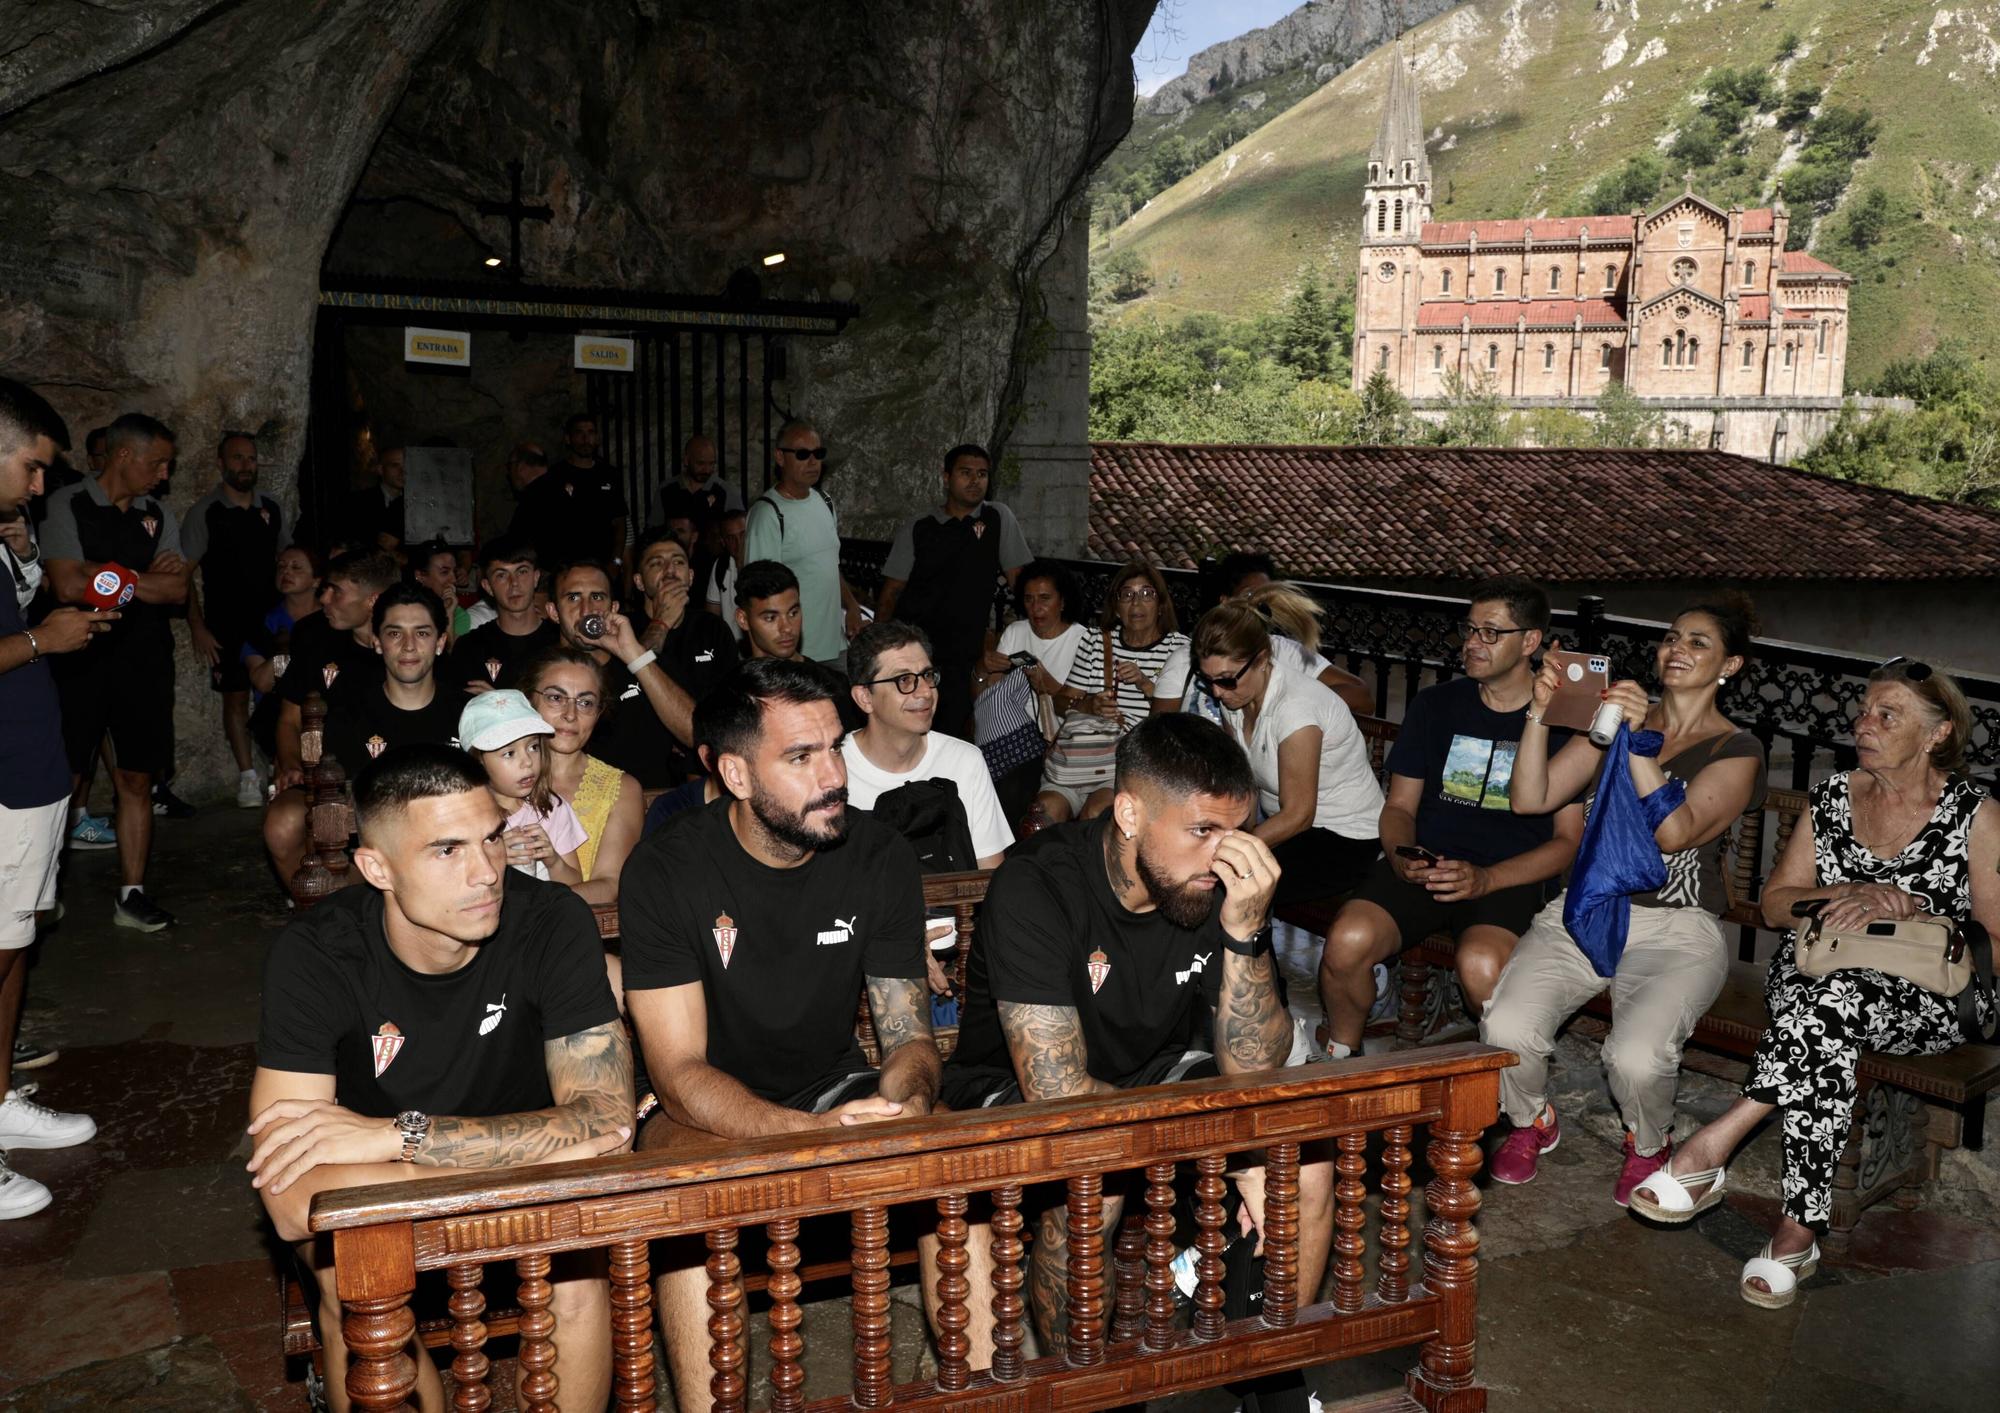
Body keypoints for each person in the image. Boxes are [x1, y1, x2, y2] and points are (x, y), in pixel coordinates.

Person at [247, 744, 631, 1413]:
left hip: (493, 1197)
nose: (486, 872)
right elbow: (291, 1206)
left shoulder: (550, 921)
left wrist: (400, 1137)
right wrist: (524, 1156)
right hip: (495, 1187)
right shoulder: (318, 954)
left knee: (578, 1262)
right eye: (447, 850)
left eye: (492, 838)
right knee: (347, 1273)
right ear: (376, 866)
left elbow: (607, 1127)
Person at [942, 714, 1332, 1354]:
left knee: (1302, 1164)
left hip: (1154, 1071)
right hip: (1006, 1087)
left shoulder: (1213, 885)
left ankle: (1267, 1370)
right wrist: (1218, 1150)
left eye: (1238, 832)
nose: (1227, 855)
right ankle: (1082, 1380)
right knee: (1097, 1180)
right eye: (1203, 830)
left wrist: (1246, 932)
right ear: (1128, 815)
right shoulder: (1038, 884)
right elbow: (1058, 1093)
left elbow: (1255, 1070)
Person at [618, 659, 942, 1410]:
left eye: (835, 745)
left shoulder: (879, 854)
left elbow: (908, 1037)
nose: (833, 774)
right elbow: (678, 1071)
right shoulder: (667, 870)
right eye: (800, 756)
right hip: (699, 1107)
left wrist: (909, 1107)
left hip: (830, 1082)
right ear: (735, 772)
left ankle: (972, 1390)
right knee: (685, 1199)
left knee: (957, 1162)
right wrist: (805, 1133)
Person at [1631, 659, 1996, 1307]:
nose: (1866, 723)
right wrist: (1846, 889)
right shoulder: (1833, 797)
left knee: (1824, 1010)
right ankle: (1795, 1233)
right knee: (1826, 1009)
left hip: (1932, 994)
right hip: (1816, 971)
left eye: (1889, 714)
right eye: (1865, 710)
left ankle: (1721, 1144)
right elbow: (1775, 904)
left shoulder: (1976, 814)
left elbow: (1998, 938)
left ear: (1938, 734)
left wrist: (1915, 909)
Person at [1481, 596, 1768, 1206]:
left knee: (1637, 1057)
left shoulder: (1736, 749)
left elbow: (1676, 832)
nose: (1677, 650)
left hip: (1677, 929)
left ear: (1731, 665)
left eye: (1697, 642)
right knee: (1506, 1026)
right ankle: (1532, 1119)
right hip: (1587, 909)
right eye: (1671, 637)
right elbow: (1531, 798)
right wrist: (1538, 714)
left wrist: (1639, 744)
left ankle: (1647, 1144)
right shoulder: (1613, 722)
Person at [1318, 576, 1584, 1059]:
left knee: (1482, 965)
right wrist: (1402, 856)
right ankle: (1341, 1060)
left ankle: (1516, 1094)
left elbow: (1567, 841)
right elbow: (1399, 807)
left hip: (1507, 877)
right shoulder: (1437, 706)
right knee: (1346, 941)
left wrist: (1486, 879)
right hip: (1427, 864)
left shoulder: (1561, 724)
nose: (1472, 643)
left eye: (1490, 632)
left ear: (1530, 642)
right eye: (1470, 629)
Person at [0, 379, 106, 1218]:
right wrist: (42, 639)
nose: (41, 486)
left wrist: (27, 569)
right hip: (4, 775)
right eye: (33, 467)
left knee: (15, 945)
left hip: (31, 767)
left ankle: (1, 1098)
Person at [39, 410, 189, 931]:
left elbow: (177, 589)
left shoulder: (156, 514)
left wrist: (105, 575)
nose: (165, 474)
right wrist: (142, 577)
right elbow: (63, 584)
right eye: (159, 463)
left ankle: (132, 893)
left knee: (136, 776)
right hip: (78, 658)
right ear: (125, 456)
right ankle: (42, 887)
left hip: (144, 661)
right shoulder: (67, 503)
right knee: (68, 774)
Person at [1191, 602, 1385, 907]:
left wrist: (1231, 847)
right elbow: (1246, 782)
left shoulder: (1296, 708)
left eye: (1226, 679)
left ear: (1263, 660)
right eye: (1208, 680)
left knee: (1231, 887)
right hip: (1296, 832)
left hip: (1346, 838)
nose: (1216, 692)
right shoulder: (1236, 697)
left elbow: (1298, 815)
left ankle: (1248, 954)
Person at [264, 579, 458, 883]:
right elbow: (346, 821)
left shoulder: (469, 712)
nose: (409, 646)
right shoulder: (349, 718)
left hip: (456, 856)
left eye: (422, 633)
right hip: (381, 866)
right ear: (377, 642)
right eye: (395, 633)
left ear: (441, 642)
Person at [876, 443, 1034, 738]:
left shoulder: (997, 518)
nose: (975, 481)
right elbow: (893, 591)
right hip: (916, 646)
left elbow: (1021, 582)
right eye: (966, 473)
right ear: (946, 477)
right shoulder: (920, 526)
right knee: (909, 725)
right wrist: (877, 646)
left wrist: (1035, 632)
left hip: (967, 651)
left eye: (982, 474)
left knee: (955, 729)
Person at [1031, 559, 1189, 826]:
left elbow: (1175, 723)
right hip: (1076, 761)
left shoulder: (1180, 649)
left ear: (1161, 605)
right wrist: (1087, 705)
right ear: (1116, 607)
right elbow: (1060, 703)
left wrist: (1145, 684)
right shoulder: (1096, 641)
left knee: (1098, 812)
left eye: (1146, 594)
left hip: (1126, 767)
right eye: (1127, 595)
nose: (1136, 604)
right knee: (1042, 814)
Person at [181, 431, 284, 808]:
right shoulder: (206, 512)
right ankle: (247, 778)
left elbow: (286, 560)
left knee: (280, 692)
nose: (246, 465)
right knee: (236, 699)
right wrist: (197, 626)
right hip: (225, 625)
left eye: (251, 458)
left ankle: (281, 769)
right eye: (238, 458)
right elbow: (183, 573)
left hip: (272, 626)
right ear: (221, 464)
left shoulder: (271, 509)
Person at [543, 559, 700, 789]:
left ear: (613, 608)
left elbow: (698, 735)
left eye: (597, 597)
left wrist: (633, 655)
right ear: (553, 612)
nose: (587, 610)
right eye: (573, 598)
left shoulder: (647, 664)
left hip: (649, 809)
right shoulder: (536, 672)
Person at [268, 551, 399, 796]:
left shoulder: (407, 647)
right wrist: (291, 764)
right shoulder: (314, 636)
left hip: (394, 772)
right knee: (282, 827)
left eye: (336, 591)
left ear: (373, 600)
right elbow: (289, 719)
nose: (325, 598)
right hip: (330, 771)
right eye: (325, 589)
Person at [521, 646, 643, 905]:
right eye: (556, 698)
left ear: (599, 713)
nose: (570, 714)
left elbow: (610, 885)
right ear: (529, 700)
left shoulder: (621, 788)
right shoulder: (496, 777)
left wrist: (529, 908)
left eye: (585, 703)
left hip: (581, 931)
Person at [743, 420, 864, 668]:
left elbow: (829, 566)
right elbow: (758, 590)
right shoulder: (768, 514)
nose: (812, 462)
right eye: (802, 454)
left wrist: (852, 606)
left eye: (818, 454)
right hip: (796, 652)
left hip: (836, 644)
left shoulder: (825, 501)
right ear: (780, 457)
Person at [1168, 576, 1374, 720]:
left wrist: (1287, 704)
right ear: (1225, 602)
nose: (1258, 604)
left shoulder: (1286, 652)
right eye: (1249, 595)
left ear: (1262, 660)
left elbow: (1361, 696)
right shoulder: (1197, 653)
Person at [977, 560, 1088, 823]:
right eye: (1028, 599)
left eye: (1045, 598)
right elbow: (988, 695)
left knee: (1015, 789)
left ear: (1063, 601)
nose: (1036, 608)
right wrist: (985, 668)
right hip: (1010, 740)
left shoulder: (1082, 639)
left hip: (1058, 743)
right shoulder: (1016, 631)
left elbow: (1081, 705)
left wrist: (1044, 682)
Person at [461, 689, 586, 885]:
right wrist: (495, 857)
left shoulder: (552, 809)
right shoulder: (464, 818)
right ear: (479, 762)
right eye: (509, 753)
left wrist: (553, 861)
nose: (527, 762)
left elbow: (575, 883)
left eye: (533, 747)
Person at [733, 558, 865, 732]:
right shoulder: (735, 693)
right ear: (743, 619)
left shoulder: (831, 685)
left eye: (793, 613)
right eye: (770, 618)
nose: (787, 627)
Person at [443, 536, 556, 695]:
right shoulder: (470, 647)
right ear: (488, 586)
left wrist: (500, 702)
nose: (514, 583)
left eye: (522, 571)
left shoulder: (560, 643)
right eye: (502, 575)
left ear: (536, 578)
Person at [657, 433, 743, 525]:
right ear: (686, 460)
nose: (707, 470)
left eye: (711, 464)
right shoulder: (666, 489)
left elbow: (738, 530)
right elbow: (654, 529)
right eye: (700, 463)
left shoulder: (727, 491)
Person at [344, 443, 405, 553]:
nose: (403, 472)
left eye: (407, 465)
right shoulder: (359, 501)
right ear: (380, 469)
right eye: (395, 465)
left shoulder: (418, 502)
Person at [410, 538, 472, 639]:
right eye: (444, 572)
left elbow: (451, 652)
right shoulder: (403, 607)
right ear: (420, 575)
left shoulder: (458, 615)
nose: (453, 579)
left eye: (454, 572)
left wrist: (448, 613)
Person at [703, 504, 747, 642]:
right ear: (723, 541)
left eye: (743, 535)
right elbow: (711, 618)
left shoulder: (765, 565)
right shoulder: (720, 566)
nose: (738, 543)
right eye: (731, 538)